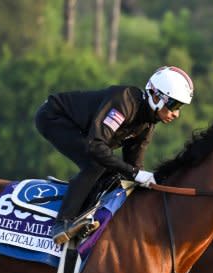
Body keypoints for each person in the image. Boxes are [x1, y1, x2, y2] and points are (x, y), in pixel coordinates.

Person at [34, 65, 194, 244]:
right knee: (97, 163)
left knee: (115, 174)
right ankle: (62, 223)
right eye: (174, 105)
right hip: (53, 116)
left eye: (180, 107)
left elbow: (134, 169)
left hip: (84, 133)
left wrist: (151, 184)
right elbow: (95, 146)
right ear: (156, 96)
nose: (176, 114)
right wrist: (134, 173)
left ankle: (85, 217)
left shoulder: (147, 125)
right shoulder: (124, 102)